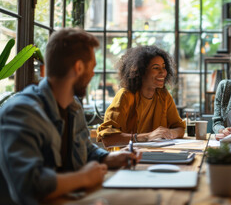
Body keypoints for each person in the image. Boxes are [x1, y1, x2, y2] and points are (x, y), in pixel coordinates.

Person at [0, 28, 139, 204]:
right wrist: (83, 178)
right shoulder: (21, 112)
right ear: (78, 67)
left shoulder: (73, 106)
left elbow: (85, 151)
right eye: (92, 68)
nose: (92, 75)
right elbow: (29, 185)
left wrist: (108, 158)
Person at [97, 46, 185, 147]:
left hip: (155, 155)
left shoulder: (163, 95)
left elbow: (179, 128)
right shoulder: (125, 96)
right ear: (140, 71)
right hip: (127, 159)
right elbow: (107, 139)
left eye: (164, 67)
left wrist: (172, 133)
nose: (163, 72)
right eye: (156, 68)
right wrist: (147, 137)